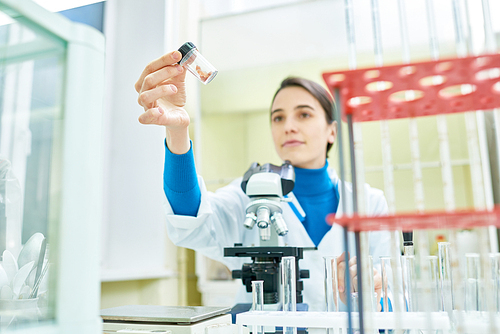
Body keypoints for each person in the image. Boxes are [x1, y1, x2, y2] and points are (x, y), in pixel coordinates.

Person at [135, 50, 392, 312]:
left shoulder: (369, 203)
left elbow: (391, 300)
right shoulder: (251, 193)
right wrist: (177, 130)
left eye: (303, 114)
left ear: (332, 131)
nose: (288, 126)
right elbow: (191, 216)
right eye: (278, 117)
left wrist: (366, 296)